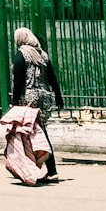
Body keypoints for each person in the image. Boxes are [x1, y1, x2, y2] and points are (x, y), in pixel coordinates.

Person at [11, 26, 64, 180]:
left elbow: (18, 81)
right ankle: (44, 169)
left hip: (29, 98)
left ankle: (45, 169)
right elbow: (52, 77)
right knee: (40, 132)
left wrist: (15, 102)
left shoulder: (21, 55)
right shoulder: (43, 55)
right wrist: (58, 96)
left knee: (29, 134)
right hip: (45, 98)